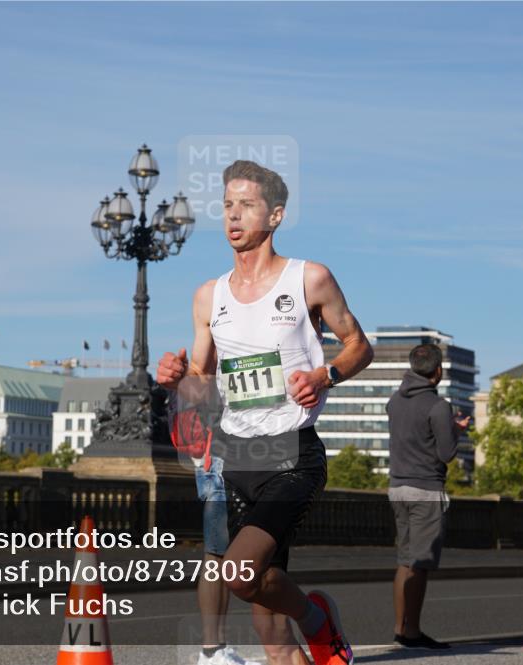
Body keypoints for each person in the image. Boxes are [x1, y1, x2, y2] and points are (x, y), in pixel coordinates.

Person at [156, 159, 374, 665]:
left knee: (238, 574)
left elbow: (359, 347)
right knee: (265, 619)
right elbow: (203, 387)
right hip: (236, 457)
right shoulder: (209, 296)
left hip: (292, 454)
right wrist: (176, 378)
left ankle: (318, 621)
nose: (233, 216)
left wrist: (325, 376)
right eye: (228, 206)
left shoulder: (309, 279)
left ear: (275, 216)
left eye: (246, 205)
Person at [386, 343, 470, 650]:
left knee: (404, 560)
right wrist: (456, 429)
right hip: (425, 488)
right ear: (438, 371)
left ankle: (400, 627)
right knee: (419, 563)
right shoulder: (438, 406)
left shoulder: (394, 401)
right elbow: (446, 453)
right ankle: (412, 632)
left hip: (397, 486)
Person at [170, 387, 262, 665]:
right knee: (217, 556)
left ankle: (216, 648)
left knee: (222, 556)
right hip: (219, 459)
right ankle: (211, 650)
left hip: (223, 458)